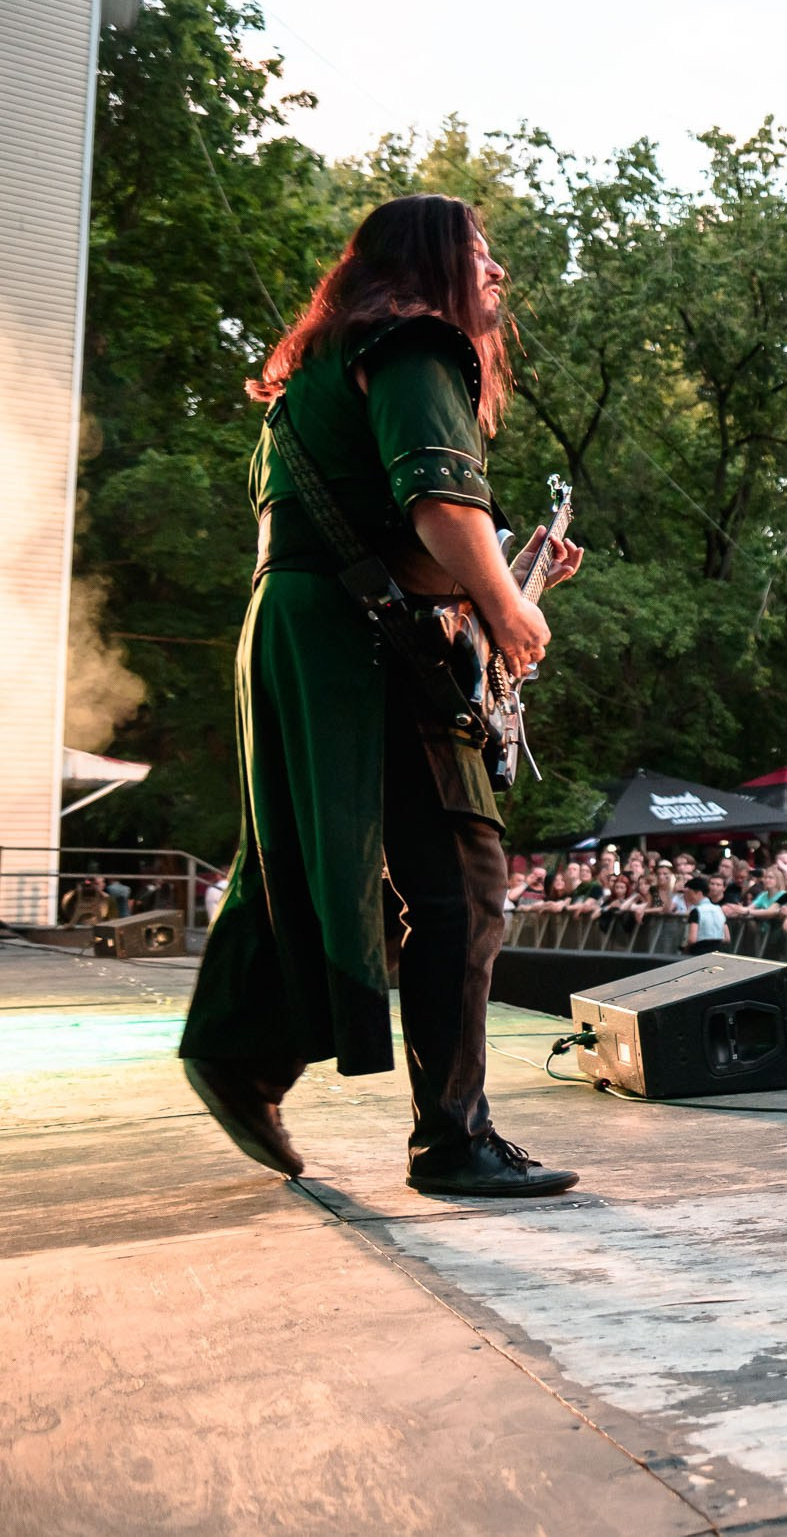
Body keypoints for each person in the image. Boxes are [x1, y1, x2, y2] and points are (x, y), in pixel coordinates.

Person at [180, 195, 583, 1197]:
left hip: (316, 628)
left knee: (313, 856)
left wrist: (508, 574)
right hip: (358, 643)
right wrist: (511, 610)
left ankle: (243, 1051)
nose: (495, 276)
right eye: (479, 257)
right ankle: (451, 1136)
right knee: (462, 875)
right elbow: (438, 501)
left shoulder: (326, 360)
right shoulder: (415, 339)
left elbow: (389, 531)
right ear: (432, 263)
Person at [684, 878, 728, 955]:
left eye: (689, 893)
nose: (687, 897)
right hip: (718, 951)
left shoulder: (696, 911)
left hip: (699, 952)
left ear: (698, 893)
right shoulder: (719, 909)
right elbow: (727, 937)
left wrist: (685, 948)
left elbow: (692, 939)